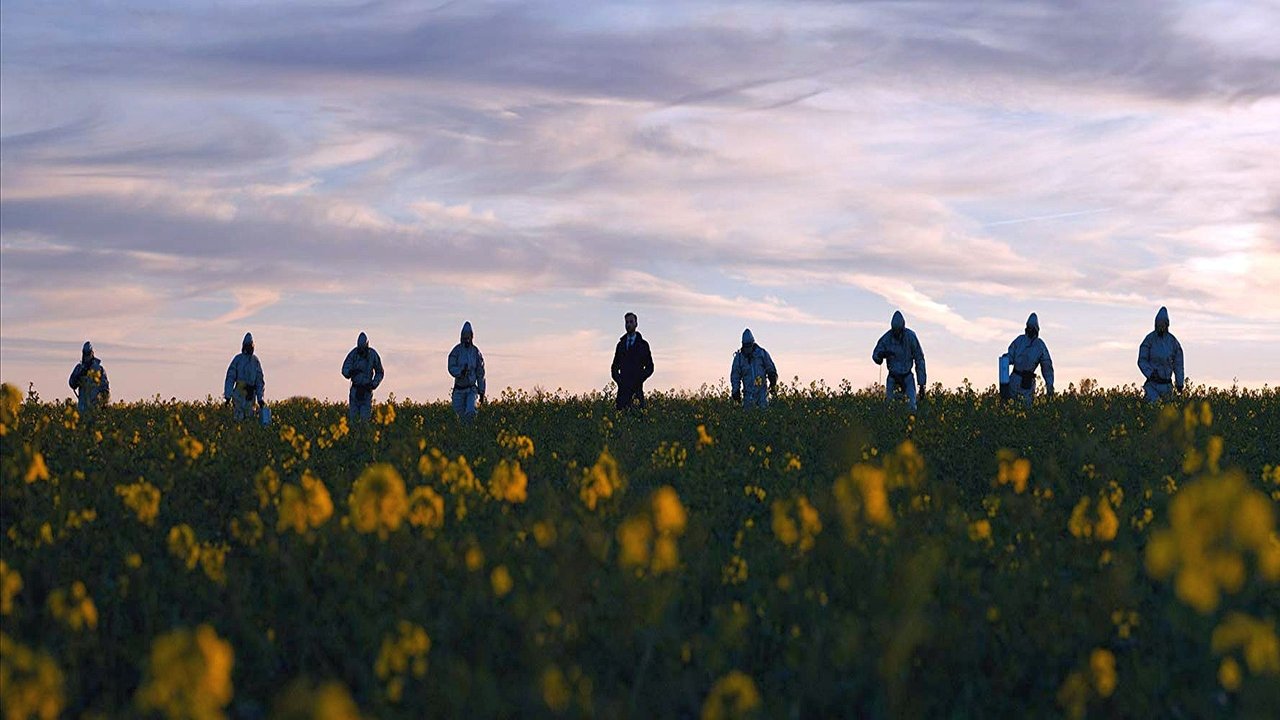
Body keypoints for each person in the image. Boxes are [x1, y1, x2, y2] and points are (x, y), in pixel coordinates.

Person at [871, 311, 926, 411]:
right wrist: (880, 356)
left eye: (899, 331)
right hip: (893, 377)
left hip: (907, 377)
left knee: (912, 406)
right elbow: (876, 354)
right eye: (895, 331)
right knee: (890, 407)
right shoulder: (886, 338)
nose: (896, 333)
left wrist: (921, 384)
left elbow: (919, 359)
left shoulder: (911, 337)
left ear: (903, 328)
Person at [1138, 306, 1184, 402]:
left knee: (1167, 413)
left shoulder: (1173, 342)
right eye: (1158, 324)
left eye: (1163, 324)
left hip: (1167, 386)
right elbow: (1142, 360)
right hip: (1152, 385)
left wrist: (1180, 383)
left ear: (1167, 325)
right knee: (1153, 406)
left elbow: (1178, 364)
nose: (1160, 327)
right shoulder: (1149, 340)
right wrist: (1150, 373)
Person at [1007, 313, 1054, 407]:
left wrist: (1049, 384)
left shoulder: (1039, 345)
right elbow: (1009, 357)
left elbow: (1047, 367)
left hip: (1027, 383)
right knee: (1013, 409)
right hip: (1015, 382)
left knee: (1024, 410)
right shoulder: (1020, 341)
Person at [610, 312, 654, 410]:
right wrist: (619, 381)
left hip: (637, 390)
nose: (628, 325)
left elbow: (650, 367)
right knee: (621, 421)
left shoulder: (643, 345)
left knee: (637, 418)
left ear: (636, 324)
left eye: (631, 322)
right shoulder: (620, 345)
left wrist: (640, 378)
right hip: (622, 391)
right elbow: (614, 366)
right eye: (626, 322)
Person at [342, 331, 385, 421]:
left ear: (367, 345)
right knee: (353, 421)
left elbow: (380, 372)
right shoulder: (353, 354)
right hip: (355, 391)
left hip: (366, 391)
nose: (361, 352)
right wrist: (351, 372)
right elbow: (344, 369)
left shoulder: (373, 355)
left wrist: (374, 384)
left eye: (363, 349)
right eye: (359, 349)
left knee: (365, 421)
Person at [448, 321, 486, 421]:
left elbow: (480, 373)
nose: (466, 340)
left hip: (471, 390)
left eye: (468, 337)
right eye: (465, 337)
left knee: (471, 413)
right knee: (458, 416)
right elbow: (451, 367)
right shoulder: (456, 351)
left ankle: (471, 433)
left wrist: (481, 392)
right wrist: (460, 372)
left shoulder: (475, 352)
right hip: (459, 390)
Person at [730, 329, 778, 409]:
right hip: (748, 396)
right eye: (746, 346)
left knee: (763, 415)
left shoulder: (762, 354)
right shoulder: (739, 359)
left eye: (749, 345)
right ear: (743, 345)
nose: (748, 348)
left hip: (762, 394)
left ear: (753, 343)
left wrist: (772, 380)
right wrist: (736, 391)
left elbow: (770, 368)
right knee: (749, 417)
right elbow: (735, 376)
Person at [224, 332, 265, 421]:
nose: (250, 348)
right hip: (239, 394)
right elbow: (230, 377)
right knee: (238, 417)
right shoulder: (238, 359)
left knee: (249, 418)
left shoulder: (255, 361)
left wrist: (260, 398)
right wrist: (228, 395)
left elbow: (259, 381)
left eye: (251, 346)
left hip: (250, 395)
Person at [68, 341, 110, 414]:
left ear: (92, 354)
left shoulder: (99, 369)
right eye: (85, 354)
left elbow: (105, 388)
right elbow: (72, 384)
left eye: (88, 354)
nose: (86, 357)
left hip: (95, 410)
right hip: (82, 409)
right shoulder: (79, 368)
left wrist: (103, 404)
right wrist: (79, 375)